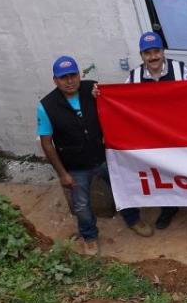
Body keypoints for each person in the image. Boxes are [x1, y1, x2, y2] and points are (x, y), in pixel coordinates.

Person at [37, 55, 152, 255]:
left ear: (79, 75)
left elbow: (115, 107)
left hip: (104, 157)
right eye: (64, 77)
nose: (70, 80)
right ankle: (89, 236)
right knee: (81, 205)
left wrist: (103, 95)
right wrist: (62, 174)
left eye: (73, 75)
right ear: (55, 80)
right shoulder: (46, 106)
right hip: (75, 165)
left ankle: (133, 219)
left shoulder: (93, 89)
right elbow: (47, 144)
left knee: (122, 189)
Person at [126, 32, 187, 230]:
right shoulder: (134, 77)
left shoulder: (180, 69)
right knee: (163, 173)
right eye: (148, 53)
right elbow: (120, 101)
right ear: (141, 55)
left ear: (163, 51)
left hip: (182, 133)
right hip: (154, 137)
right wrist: (101, 95)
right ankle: (169, 207)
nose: (153, 56)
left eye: (156, 51)